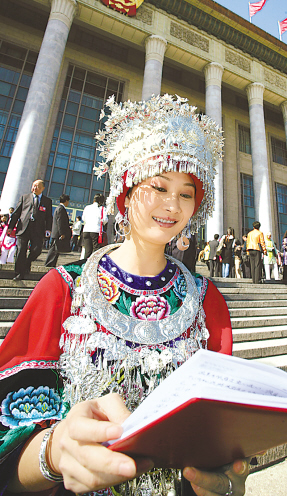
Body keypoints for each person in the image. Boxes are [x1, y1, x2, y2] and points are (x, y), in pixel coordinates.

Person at [0, 94, 249, 496]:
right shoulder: (64, 289)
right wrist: (53, 453)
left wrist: (227, 480)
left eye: (187, 194)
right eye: (159, 186)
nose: (172, 205)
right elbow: (8, 437)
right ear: (127, 190)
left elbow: (216, 429)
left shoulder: (207, 301)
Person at [8, 179, 53, 280]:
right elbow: (16, 213)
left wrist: (48, 229)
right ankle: (18, 273)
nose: (34, 188)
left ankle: (27, 262)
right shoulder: (25, 198)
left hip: (38, 230)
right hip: (23, 228)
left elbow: (49, 217)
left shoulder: (47, 201)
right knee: (21, 251)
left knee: (37, 250)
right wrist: (11, 227)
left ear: (43, 188)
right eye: (33, 185)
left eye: (37, 186)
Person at [45, 195, 72, 268]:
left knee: (56, 250)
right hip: (57, 233)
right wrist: (62, 233)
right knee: (53, 250)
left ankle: (52, 263)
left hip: (56, 233)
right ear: (66, 201)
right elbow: (60, 222)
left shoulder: (59, 208)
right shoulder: (61, 209)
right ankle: (49, 263)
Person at [81, 193, 108, 258]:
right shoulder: (102, 209)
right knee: (96, 251)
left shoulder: (87, 207)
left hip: (86, 230)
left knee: (87, 251)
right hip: (96, 231)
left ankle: (85, 265)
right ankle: (94, 266)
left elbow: (83, 218)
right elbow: (105, 220)